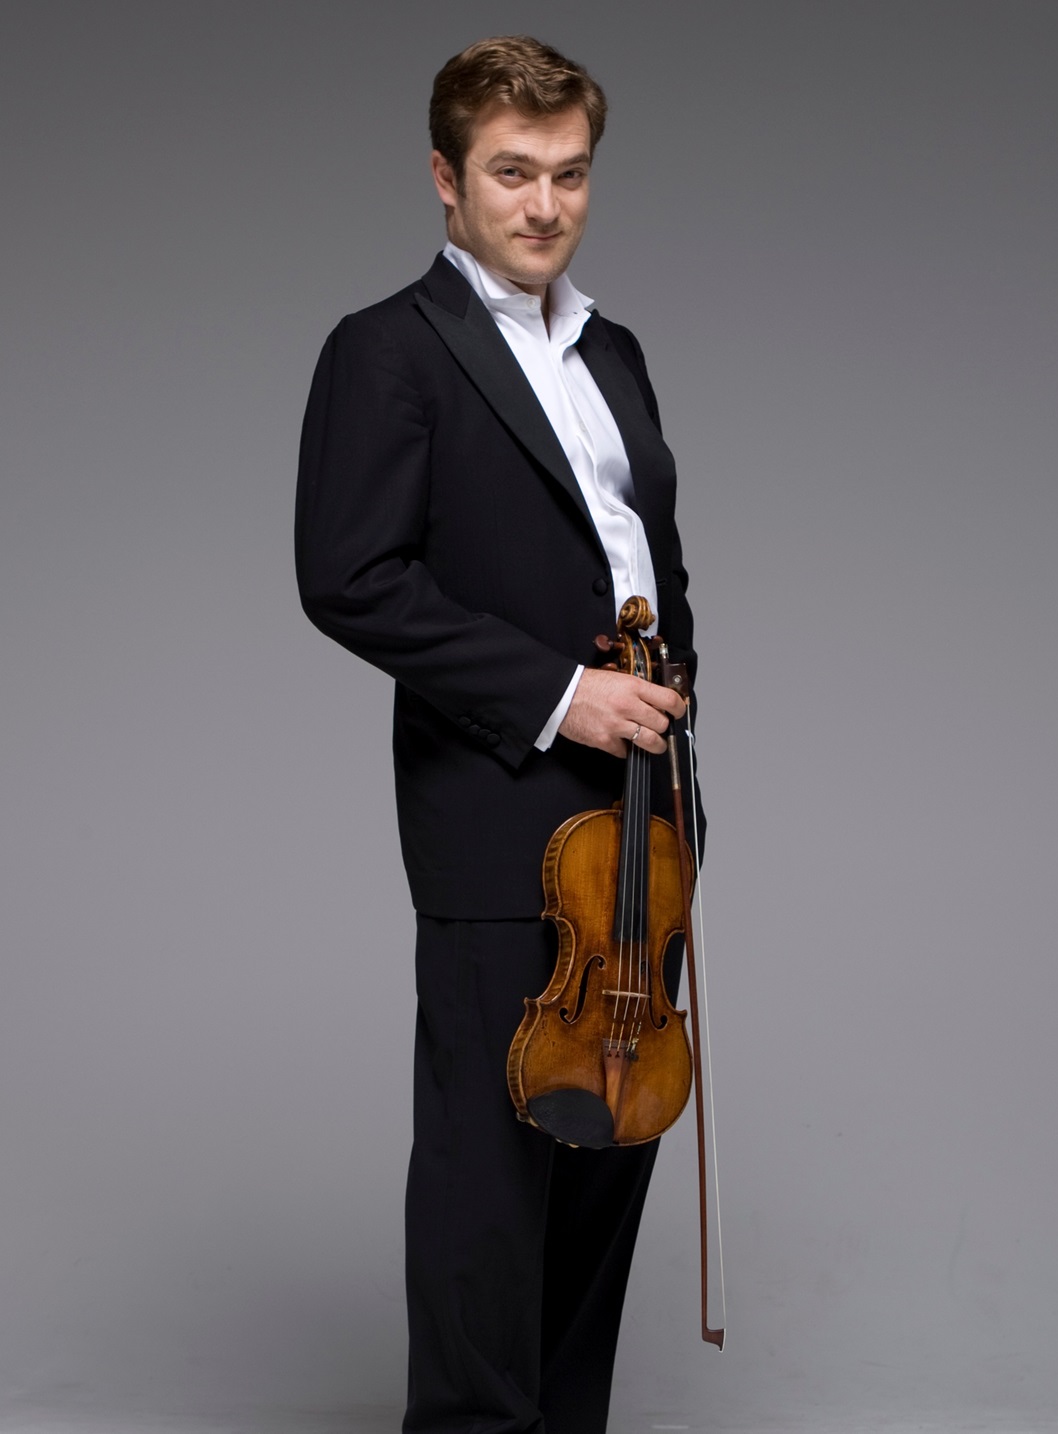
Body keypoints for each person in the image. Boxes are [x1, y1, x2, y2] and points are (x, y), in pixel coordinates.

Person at [293, 34, 699, 1434]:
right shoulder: (386, 351)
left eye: (569, 174)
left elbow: (649, 565)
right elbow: (349, 577)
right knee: (489, 1177)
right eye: (512, 173)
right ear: (445, 178)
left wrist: (670, 730)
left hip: (640, 824)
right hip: (499, 809)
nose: (544, 204)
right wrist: (561, 694)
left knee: (610, 1154)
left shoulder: (615, 352)